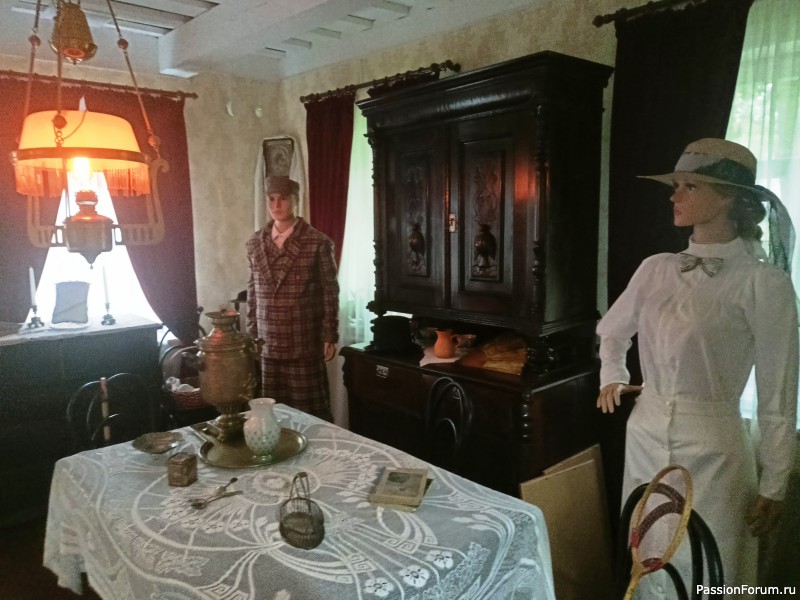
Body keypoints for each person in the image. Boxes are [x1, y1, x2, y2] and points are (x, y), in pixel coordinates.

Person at [596, 139, 798, 598]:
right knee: (647, 554)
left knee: (711, 560)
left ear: (727, 198)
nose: (675, 195)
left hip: (714, 450)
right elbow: (613, 330)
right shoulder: (655, 269)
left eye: (690, 185)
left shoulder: (763, 284)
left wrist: (776, 480)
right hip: (644, 435)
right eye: (676, 185)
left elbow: (779, 390)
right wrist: (613, 375)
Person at [246, 175, 339, 421]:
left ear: (295, 200)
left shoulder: (317, 242)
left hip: (303, 341)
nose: (276, 205)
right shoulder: (255, 244)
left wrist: (329, 334)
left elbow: (330, 291)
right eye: (271, 199)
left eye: (283, 199)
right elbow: (253, 291)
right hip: (267, 343)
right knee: (272, 417)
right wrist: (252, 333)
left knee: (310, 416)